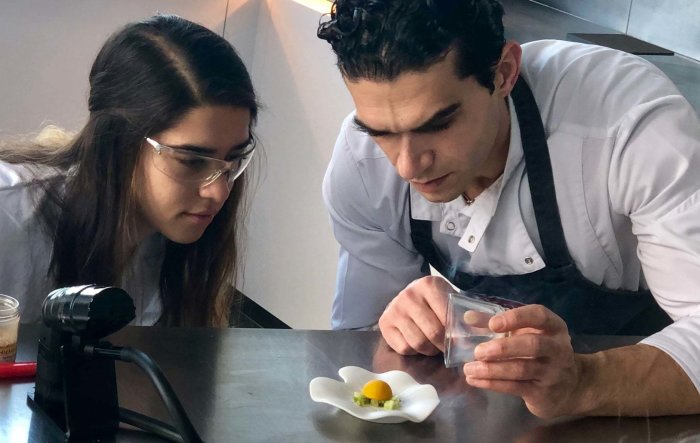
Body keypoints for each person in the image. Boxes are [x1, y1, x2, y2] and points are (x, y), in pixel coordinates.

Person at [317, 0, 700, 417]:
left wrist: (583, 381)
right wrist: (397, 328)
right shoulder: (361, 163)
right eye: (382, 132)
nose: (407, 165)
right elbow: (356, 348)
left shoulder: (625, 129)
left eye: (438, 124)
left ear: (503, 74)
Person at [0, 14, 258, 327]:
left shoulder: (176, 243)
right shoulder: (9, 219)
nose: (219, 191)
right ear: (118, 141)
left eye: (234, 158)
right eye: (192, 160)